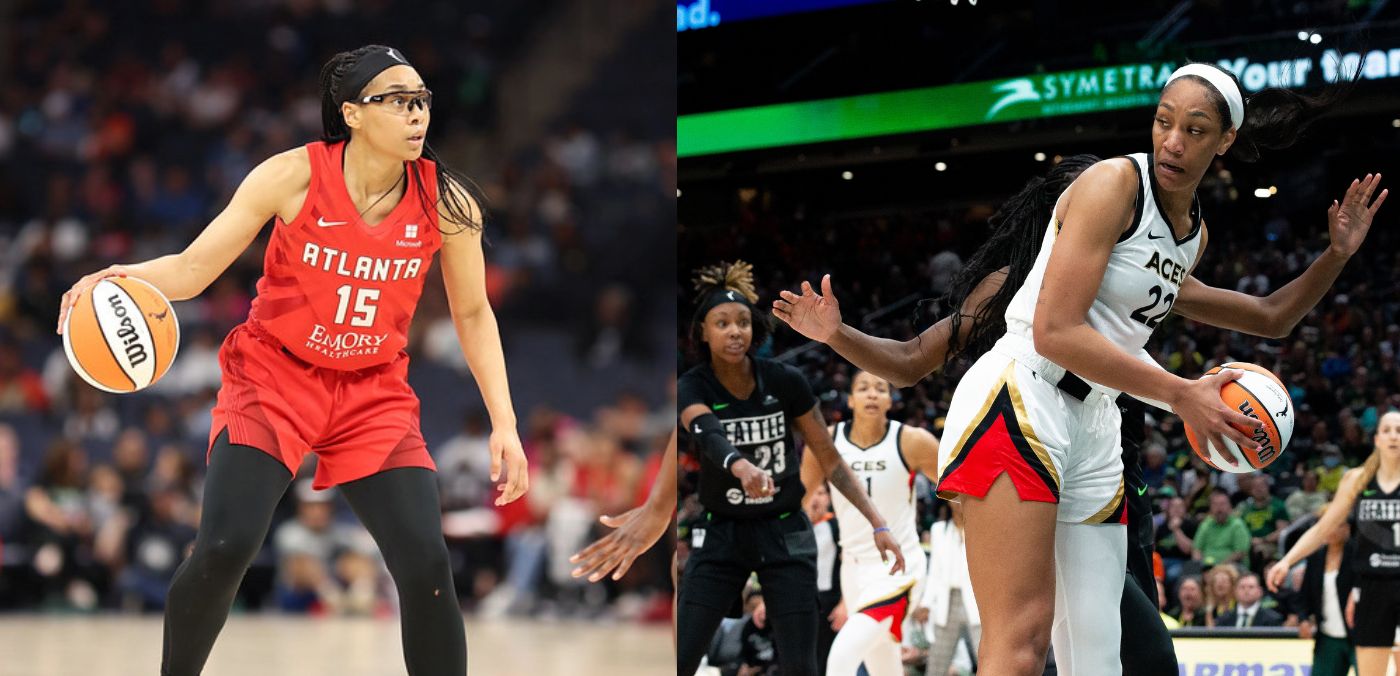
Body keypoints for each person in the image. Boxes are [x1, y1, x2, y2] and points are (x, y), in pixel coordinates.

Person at [777, 61, 1383, 674]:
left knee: (1099, 655)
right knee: (1021, 643)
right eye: (1164, 122)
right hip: (1021, 398)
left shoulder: (1190, 236)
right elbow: (1054, 332)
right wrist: (1182, 394)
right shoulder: (1115, 182)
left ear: (1225, 140)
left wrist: (1336, 255)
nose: (1173, 141)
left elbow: (1271, 317)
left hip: (1096, 423)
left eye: (1195, 130)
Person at [56, 45, 528, 676]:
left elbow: (472, 313)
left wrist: (505, 422)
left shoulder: (448, 202)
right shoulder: (291, 176)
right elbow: (193, 270)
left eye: (421, 100)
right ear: (353, 113)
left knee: (426, 564)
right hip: (273, 378)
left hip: (372, 392)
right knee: (225, 548)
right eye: (398, 101)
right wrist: (115, 276)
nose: (417, 114)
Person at [677, 261, 905, 676]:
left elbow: (831, 461)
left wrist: (878, 523)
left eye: (743, 322)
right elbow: (706, 430)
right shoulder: (692, 385)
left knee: (801, 665)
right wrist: (740, 466)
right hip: (721, 530)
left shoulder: (785, 380)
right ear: (702, 333)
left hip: (784, 531)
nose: (734, 331)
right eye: (722, 323)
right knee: (681, 656)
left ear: (754, 329)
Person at [817, 370, 939, 676]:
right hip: (852, 571)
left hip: (898, 569)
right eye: (863, 387)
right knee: (884, 667)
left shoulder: (912, 441)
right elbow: (800, 500)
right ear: (850, 400)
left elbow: (963, 488)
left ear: (890, 400)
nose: (872, 393)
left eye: (880, 388)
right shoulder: (827, 442)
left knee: (840, 660)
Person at [1267, 410, 1400, 676]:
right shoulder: (1357, 479)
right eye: (1387, 430)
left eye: (1399, 431)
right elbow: (1323, 528)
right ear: (1376, 439)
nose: (1394, 436)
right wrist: (1287, 560)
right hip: (1370, 587)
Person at [569, 430, 677, 583]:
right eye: (598, 454)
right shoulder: (597, 472)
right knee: (604, 533)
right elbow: (596, 503)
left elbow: (627, 500)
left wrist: (657, 512)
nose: (601, 457)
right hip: (641, 516)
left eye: (603, 453)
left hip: (643, 515)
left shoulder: (627, 466)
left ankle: (645, 585)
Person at [918, 498, 980, 676]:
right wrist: (926, 603)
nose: (959, 502)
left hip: (975, 600)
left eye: (963, 498)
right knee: (936, 664)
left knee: (986, 658)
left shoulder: (980, 528)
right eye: (955, 498)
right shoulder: (938, 530)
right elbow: (934, 571)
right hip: (946, 601)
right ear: (949, 502)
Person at [1294, 515, 1357, 676]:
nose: (1331, 530)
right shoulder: (1316, 557)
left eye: (1336, 525)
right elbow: (1304, 596)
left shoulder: (1358, 555)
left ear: (1347, 528)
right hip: (1327, 636)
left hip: (1359, 635)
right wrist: (1303, 619)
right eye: (1327, 525)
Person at [1195, 488, 1251, 568]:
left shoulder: (1237, 525)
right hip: (1206, 567)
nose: (1219, 508)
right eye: (1215, 504)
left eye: (1222, 504)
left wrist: (1219, 567)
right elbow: (1196, 549)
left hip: (1232, 566)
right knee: (1189, 572)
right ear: (1210, 508)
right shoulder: (1206, 524)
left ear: (1230, 506)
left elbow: (1240, 552)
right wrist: (1199, 566)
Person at [1214, 573, 1284, 627]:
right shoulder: (1223, 619)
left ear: (1260, 591)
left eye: (1251, 587)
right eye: (1242, 587)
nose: (1246, 591)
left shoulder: (1273, 619)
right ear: (1235, 591)